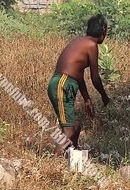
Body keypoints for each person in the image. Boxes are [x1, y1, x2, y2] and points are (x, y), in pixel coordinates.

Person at [48, 13, 111, 151]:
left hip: (63, 83)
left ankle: (72, 162)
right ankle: (54, 164)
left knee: (75, 127)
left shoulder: (80, 42)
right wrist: (104, 96)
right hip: (62, 84)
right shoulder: (91, 45)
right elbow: (95, 77)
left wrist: (87, 98)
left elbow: (78, 74)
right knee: (69, 131)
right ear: (103, 32)